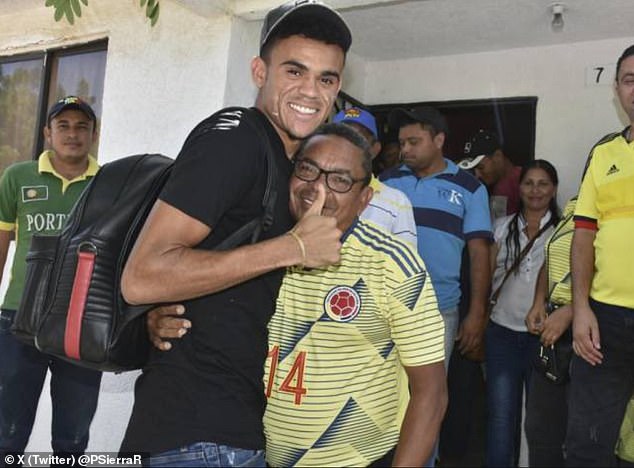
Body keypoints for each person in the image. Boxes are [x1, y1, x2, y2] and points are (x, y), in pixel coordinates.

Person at [118, 2, 352, 466]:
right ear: (259, 70)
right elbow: (141, 277)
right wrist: (293, 247)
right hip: (200, 437)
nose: (310, 91)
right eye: (294, 71)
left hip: (224, 428)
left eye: (326, 78)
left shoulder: (283, 158)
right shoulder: (236, 139)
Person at [151, 123, 448, 467]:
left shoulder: (393, 265)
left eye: (339, 180)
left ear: (365, 198)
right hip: (257, 455)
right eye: (308, 170)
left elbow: (431, 393)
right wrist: (158, 319)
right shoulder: (255, 249)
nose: (318, 189)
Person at [0, 96, 102, 457]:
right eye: (63, 126)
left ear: (93, 134)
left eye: (81, 127)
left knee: (71, 440)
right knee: (7, 434)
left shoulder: (106, 183)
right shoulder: (17, 177)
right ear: (47, 133)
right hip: (17, 319)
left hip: (80, 323)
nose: (72, 134)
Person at [380, 106, 492, 365]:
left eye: (414, 142)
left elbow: (479, 254)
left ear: (439, 140)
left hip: (438, 309)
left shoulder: (470, 188)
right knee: (381, 395)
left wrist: (476, 313)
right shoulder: (386, 182)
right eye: (402, 143)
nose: (405, 150)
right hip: (385, 307)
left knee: (429, 396)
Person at [566, 43, 634, 467]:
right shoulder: (604, 154)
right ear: (617, 90)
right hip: (604, 321)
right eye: (630, 80)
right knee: (588, 447)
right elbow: (583, 236)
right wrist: (580, 308)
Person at [485, 159, 560, 467]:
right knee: (501, 418)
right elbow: (487, 276)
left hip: (544, 338)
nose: (535, 190)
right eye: (529, 183)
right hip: (501, 333)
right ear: (520, 188)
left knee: (541, 421)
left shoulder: (560, 233)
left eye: (543, 183)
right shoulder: (501, 227)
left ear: (554, 189)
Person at [524, 196, 576, 467]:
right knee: (540, 429)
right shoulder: (575, 207)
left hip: (593, 334)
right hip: (555, 337)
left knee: (584, 438)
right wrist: (539, 300)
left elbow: (615, 279)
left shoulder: (618, 213)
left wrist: (572, 311)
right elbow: (551, 260)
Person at [332, 107, 417, 246]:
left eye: (358, 141)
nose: (347, 147)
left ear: (375, 149)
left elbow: (405, 261)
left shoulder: (397, 202)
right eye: (339, 139)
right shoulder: (312, 191)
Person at [460, 129, 521, 220]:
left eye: (481, 167)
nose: (477, 175)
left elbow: (497, 228)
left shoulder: (504, 187)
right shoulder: (521, 175)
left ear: (498, 156)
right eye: (474, 169)